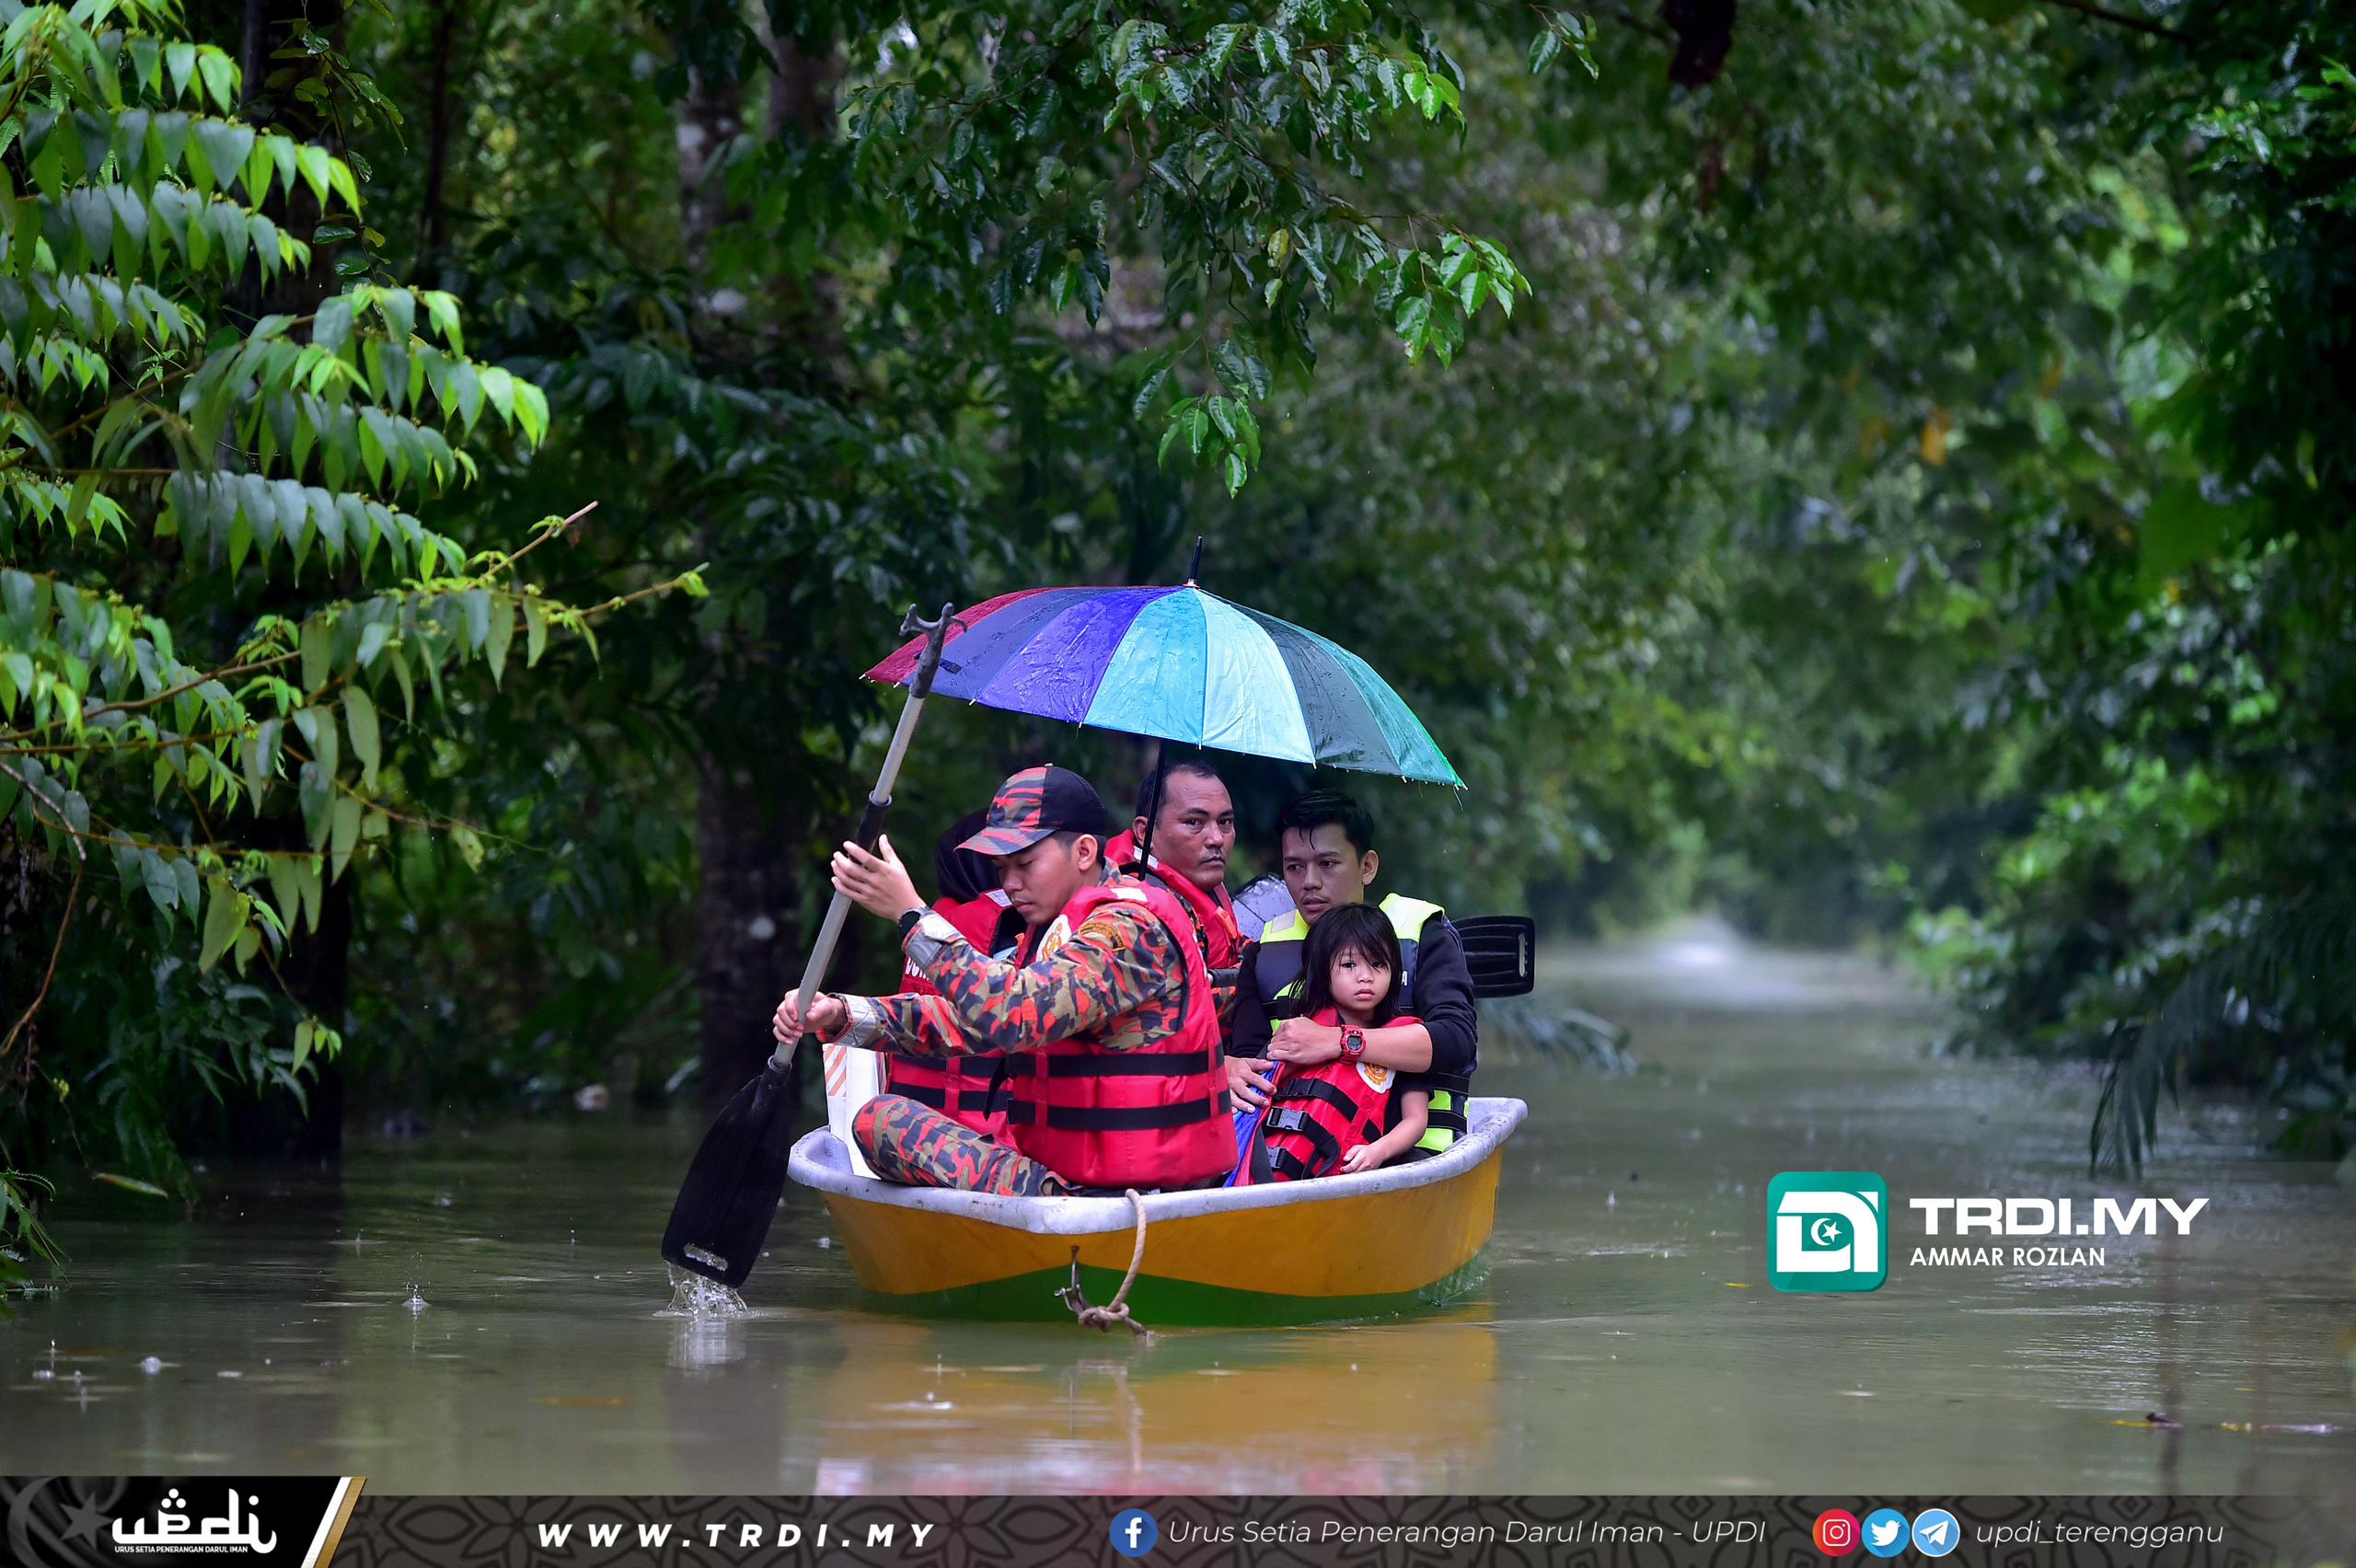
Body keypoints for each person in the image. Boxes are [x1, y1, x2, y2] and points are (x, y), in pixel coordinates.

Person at [771, 766, 1233, 1196]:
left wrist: (912, 916)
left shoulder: (1126, 928)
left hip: (1126, 1199)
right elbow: (967, 1022)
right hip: (1073, 1179)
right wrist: (840, 1013)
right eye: (1001, 868)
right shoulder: (1055, 930)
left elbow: (1012, 1016)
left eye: (1025, 864)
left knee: (881, 1121)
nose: (1010, 883)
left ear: (1085, 852)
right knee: (879, 1120)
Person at [1227, 789, 1477, 1162]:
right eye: (1294, 867)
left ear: (1367, 866)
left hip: (1412, 1153)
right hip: (1294, 1157)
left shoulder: (1422, 932)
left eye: (1327, 863)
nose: (1309, 881)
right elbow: (1249, 1057)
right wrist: (1228, 1068)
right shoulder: (1265, 952)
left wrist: (1339, 1042)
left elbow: (1457, 1040)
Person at [1238, 904, 1428, 1183]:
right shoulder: (1300, 1034)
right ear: (1325, 974)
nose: (1365, 976)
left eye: (1378, 964)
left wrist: (1377, 1151)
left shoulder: (1402, 1040)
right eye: (1349, 965)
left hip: (1354, 1173)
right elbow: (1258, 1095)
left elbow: (1416, 1120)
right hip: (1270, 1177)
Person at [883, 811, 1024, 1136]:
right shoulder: (1011, 933)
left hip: (913, 1127)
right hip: (992, 1138)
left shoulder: (931, 924)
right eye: (1005, 865)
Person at [1102, 759, 1243, 1009]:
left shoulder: (1198, 882)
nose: (1216, 838)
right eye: (1194, 823)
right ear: (1145, 833)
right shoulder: (1134, 907)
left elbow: (1241, 946)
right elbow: (1182, 1003)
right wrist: (1256, 978)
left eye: (1225, 822)